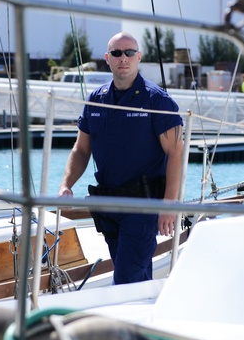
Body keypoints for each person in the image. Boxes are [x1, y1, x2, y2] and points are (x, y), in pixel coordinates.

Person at [58, 32, 184, 285]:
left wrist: (170, 204)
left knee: (126, 278)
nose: (123, 58)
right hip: (107, 205)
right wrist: (66, 185)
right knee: (136, 276)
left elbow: (176, 152)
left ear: (139, 57)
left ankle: (125, 323)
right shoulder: (96, 99)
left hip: (142, 208)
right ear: (108, 58)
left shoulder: (157, 100)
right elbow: (81, 150)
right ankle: (144, 320)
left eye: (129, 53)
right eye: (117, 53)